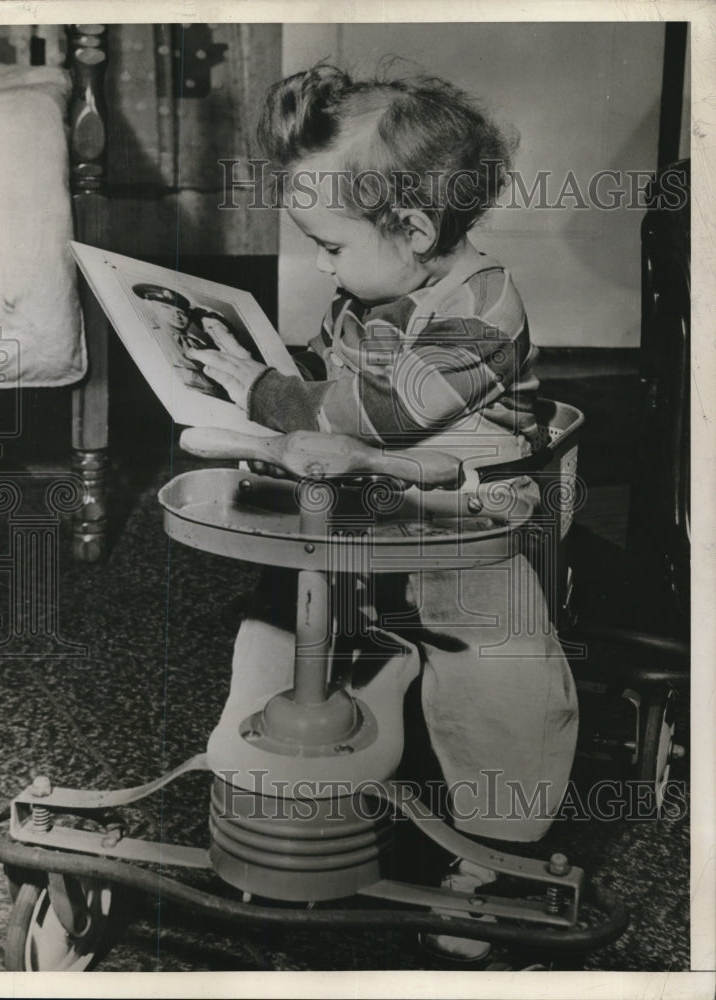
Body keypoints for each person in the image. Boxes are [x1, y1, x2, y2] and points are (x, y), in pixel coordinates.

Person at [187, 64, 579, 965]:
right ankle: (270, 773)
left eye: (328, 244)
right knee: (280, 616)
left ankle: (502, 851)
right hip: (366, 510)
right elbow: (337, 381)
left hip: (466, 523)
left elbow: (378, 412)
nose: (320, 263)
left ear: (413, 228)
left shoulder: (484, 306)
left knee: (499, 675)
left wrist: (267, 394)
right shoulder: (370, 291)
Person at [132, 283, 232, 396]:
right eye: (166, 308)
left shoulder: (200, 344)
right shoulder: (149, 338)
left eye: (182, 312)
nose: (177, 315)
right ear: (152, 308)